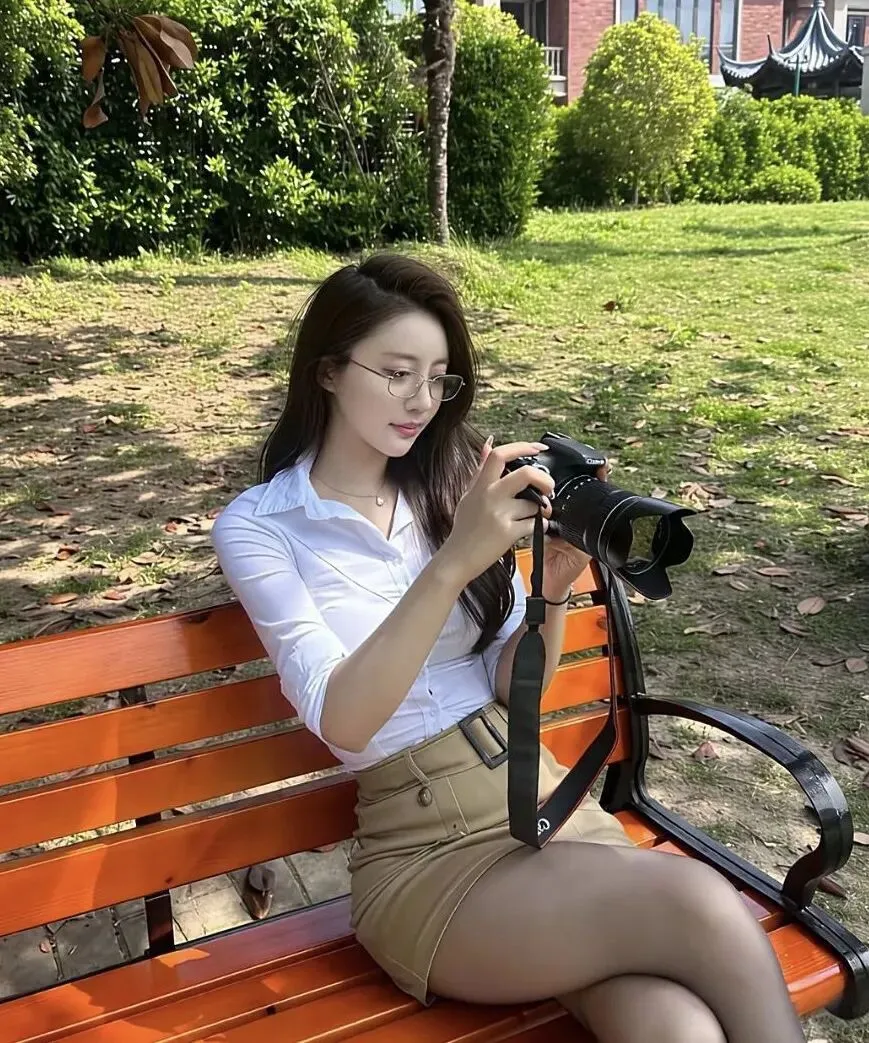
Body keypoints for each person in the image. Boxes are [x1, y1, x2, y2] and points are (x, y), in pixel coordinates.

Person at [211, 254, 806, 1043]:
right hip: (429, 857)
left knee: (673, 1026)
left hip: (540, 804)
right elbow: (344, 720)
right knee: (697, 900)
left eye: (438, 379)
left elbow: (505, 684)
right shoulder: (260, 526)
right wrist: (455, 559)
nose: (420, 401)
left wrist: (550, 588)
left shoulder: (449, 485)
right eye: (396, 373)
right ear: (327, 370)